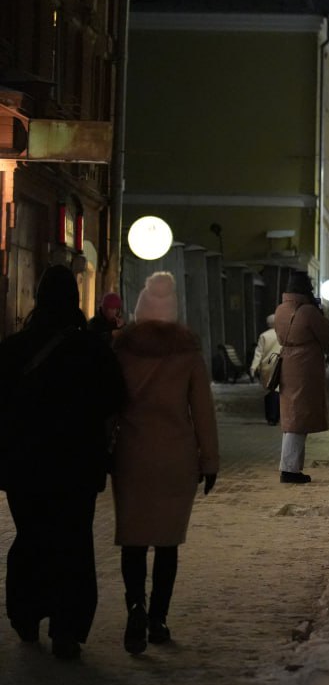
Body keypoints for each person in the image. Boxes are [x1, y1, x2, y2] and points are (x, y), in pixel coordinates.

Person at [0, 265, 127, 660]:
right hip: (77, 464)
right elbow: (116, 399)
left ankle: (26, 616)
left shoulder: (13, 348)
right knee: (73, 541)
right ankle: (67, 627)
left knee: (31, 535)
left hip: (25, 465)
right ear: (74, 300)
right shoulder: (92, 350)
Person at [110, 271, 219, 654]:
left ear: (140, 311)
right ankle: (158, 618)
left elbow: (109, 406)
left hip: (132, 457)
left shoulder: (121, 351)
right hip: (176, 458)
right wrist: (210, 461)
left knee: (134, 541)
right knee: (167, 543)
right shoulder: (187, 355)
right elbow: (202, 412)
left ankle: (135, 608)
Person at [274, 271, 329, 484]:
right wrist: (321, 311)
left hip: (287, 362)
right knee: (298, 420)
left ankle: (291, 467)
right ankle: (289, 470)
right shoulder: (308, 311)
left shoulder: (281, 310)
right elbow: (327, 334)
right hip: (305, 366)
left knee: (292, 415)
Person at [250, 314, 281, 425]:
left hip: (267, 366)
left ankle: (270, 416)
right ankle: (276, 416)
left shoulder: (264, 336)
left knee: (269, 391)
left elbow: (259, 353)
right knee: (278, 390)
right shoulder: (282, 334)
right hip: (280, 365)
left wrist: (253, 367)